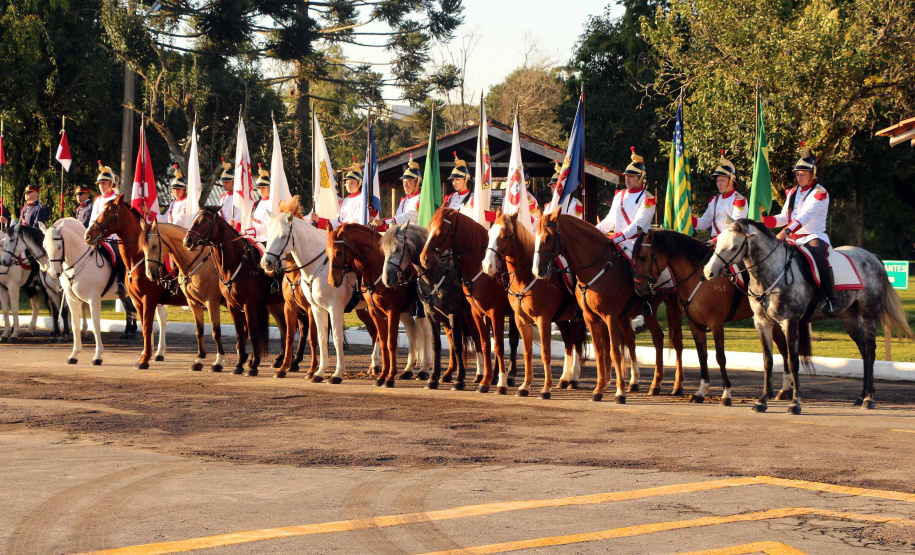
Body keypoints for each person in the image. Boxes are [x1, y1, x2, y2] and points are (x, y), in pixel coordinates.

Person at [763, 144, 836, 312]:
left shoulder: (820, 192)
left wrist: (786, 231)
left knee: (819, 260)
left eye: (803, 174)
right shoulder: (792, 193)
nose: (799, 177)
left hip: (813, 236)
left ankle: (831, 299)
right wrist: (764, 220)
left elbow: (805, 216)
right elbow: (784, 217)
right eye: (797, 174)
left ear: (813, 174)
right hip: (792, 239)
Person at [596, 147, 656, 252]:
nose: (627, 178)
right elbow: (609, 221)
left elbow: (636, 226)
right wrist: (592, 233)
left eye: (631, 176)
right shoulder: (620, 195)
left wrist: (614, 239)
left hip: (637, 247)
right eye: (626, 175)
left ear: (641, 178)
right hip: (617, 244)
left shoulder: (647, 199)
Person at [89, 161, 129, 299]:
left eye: (104, 183)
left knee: (115, 255)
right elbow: (92, 220)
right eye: (100, 184)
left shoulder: (116, 199)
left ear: (111, 183)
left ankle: (121, 283)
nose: (101, 186)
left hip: (111, 237)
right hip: (96, 236)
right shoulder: (98, 200)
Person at [692, 151, 747, 245]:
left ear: (731, 181)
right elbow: (704, 223)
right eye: (717, 181)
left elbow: (735, 226)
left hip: (731, 245)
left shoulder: (739, 200)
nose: (719, 184)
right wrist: (688, 218)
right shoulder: (714, 200)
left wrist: (715, 240)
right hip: (714, 244)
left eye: (722, 180)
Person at [310, 162, 377, 229]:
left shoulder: (362, 199)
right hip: (343, 233)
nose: (348, 185)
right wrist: (319, 220)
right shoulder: (345, 201)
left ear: (359, 184)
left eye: (352, 183)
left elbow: (362, 222)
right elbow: (337, 222)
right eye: (347, 182)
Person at [443, 152, 496, 224]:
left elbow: (483, 215)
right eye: (453, 180)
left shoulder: (473, 198)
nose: (454, 183)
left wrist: (500, 217)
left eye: (457, 179)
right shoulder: (449, 198)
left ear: (466, 180)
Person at [372, 156, 421, 232]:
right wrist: (378, 226)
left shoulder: (421, 199)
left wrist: (383, 222)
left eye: (409, 181)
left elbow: (406, 217)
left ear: (417, 183)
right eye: (404, 182)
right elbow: (396, 222)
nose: (405, 185)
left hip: (414, 238)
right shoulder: (404, 200)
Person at [249, 164, 272, 243]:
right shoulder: (258, 203)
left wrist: (251, 232)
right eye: (259, 188)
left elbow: (267, 227)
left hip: (266, 239)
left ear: (269, 187)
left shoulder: (272, 203)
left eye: (263, 187)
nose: (260, 190)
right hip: (255, 236)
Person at [217, 159, 241, 231]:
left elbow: (240, 217)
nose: (224, 184)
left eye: (227, 182)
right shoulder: (223, 197)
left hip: (235, 232)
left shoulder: (239, 197)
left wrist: (235, 223)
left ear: (234, 182)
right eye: (223, 182)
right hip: (223, 230)